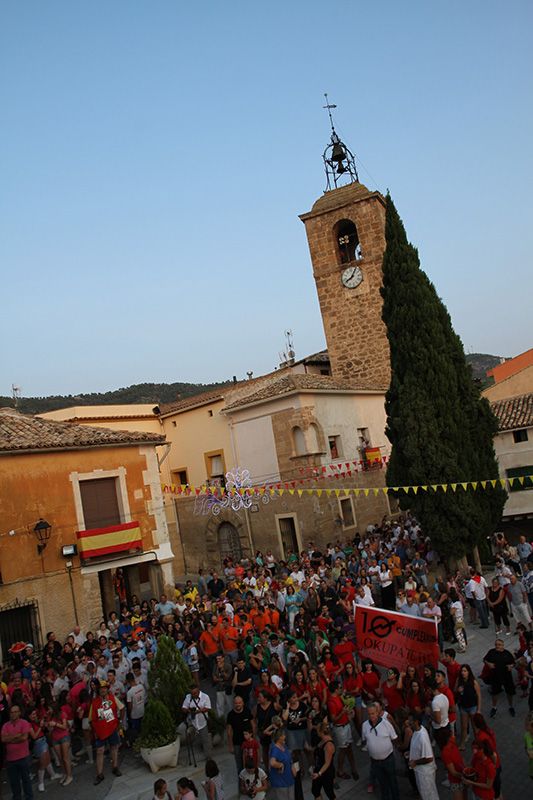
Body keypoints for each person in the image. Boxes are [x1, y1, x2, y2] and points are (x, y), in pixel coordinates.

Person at [361, 703, 399, 800]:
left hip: (388, 760)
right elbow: (365, 739)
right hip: (375, 762)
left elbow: (394, 738)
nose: (371, 716)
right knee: (382, 784)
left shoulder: (386, 724)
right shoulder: (364, 725)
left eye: (373, 713)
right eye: (369, 714)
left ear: (377, 713)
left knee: (392, 782)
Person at [89, 680, 122, 785]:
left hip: (112, 729)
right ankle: (99, 774)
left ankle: (115, 767)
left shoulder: (112, 698)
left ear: (107, 689)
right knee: (100, 751)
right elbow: (91, 719)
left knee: (114, 748)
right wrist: (95, 730)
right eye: (101, 688)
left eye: (104, 688)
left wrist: (119, 723)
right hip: (100, 732)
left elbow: (122, 708)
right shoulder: (94, 702)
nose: (103, 690)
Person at [326, 680, 359, 780]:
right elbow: (333, 719)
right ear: (336, 689)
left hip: (346, 725)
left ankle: (353, 769)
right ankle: (340, 770)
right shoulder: (331, 702)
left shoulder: (338, 698)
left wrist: (347, 713)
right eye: (340, 688)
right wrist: (343, 712)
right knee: (343, 749)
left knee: (349, 748)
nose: (342, 689)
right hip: (340, 728)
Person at [1, 704, 34, 800]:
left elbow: (24, 737)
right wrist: (17, 736)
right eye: (12, 712)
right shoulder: (5, 725)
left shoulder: (24, 723)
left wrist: (10, 738)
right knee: (14, 782)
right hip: (10, 759)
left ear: (19, 712)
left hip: (23, 757)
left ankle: (29, 797)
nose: (14, 714)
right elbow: (3, 739)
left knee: (26, 780)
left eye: (16, 712)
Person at [408, 712, 439, 800]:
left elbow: (429, 758)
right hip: (420, 771)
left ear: (416, 722)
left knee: (428, 796)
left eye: (410, 721)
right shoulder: (418, 731)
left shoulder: (422, 736)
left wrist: (415, 762)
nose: (408, 722)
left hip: (425, 774)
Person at [483, 638, 516, 717]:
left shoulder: (507, 653)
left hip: (507, 677)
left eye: (499, 645)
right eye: (496, 644)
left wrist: (511, 666)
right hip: (495, 676)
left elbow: (514, 663)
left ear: (503, 646)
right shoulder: (491, 652)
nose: (497, 646)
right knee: (495, 693)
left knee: (509, 693)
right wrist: (488, 664)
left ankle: (511, 706)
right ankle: (494, 707)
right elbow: (484, 660)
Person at [435, 726, 466, 800]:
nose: (452, 734)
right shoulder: (445, 752)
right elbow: (453, 772)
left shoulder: (451, 741)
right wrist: (465, 776)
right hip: (456, 780)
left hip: (462, 775)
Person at [455, 664, 481, 750]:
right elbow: (455, 690)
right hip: (463, 707)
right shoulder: (459, 680)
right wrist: (458, 691)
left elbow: (479, 696)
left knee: (475, 727)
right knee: (464, 727)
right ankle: (462, 744)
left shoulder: (473, 682)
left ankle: (478, 743)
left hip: (472, 707)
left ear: (469, 672)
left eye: (465, 671)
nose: (463, 673)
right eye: (462, 671)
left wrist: (479, 709)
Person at [182, 685, 213, 759]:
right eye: (192, 693)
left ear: (198, 691)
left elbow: (208, 708)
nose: (193, 695)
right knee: (188, 735)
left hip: (202, 722)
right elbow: (183, 708)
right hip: (192, 722)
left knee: (205, 740)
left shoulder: (205, 697)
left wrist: (197, 711)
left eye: (195, 693)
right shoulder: (188, 697)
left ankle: (208, 757)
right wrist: (189, 710)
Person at [227, 695, 252, 777]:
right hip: (237, 743)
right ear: (233, 704)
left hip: (248, 742)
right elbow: (229, 731)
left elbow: (253, 725)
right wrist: (230, 745)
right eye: (236, 703)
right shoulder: (230, 715)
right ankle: (241, 779)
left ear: (243, 703)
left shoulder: (247, 711)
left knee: (249, 761)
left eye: (239, 703)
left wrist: (253, 739)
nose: (238, 704)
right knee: (239, 763)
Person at [311, 719, 336, 800]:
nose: (316, 732)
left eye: (317, 730)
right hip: (318, 769)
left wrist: (319, 773)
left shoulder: (329, 745)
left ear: (321, 732)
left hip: (326, 772)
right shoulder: (322, 740)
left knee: (329, 793)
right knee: (315, 791)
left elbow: (327, 763)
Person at [268, 728, 295, 800]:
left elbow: (289, 759)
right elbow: (272, 762)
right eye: (283, 735)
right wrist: (281, 765)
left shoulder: (284, 746)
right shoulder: (275, 749)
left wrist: (294, 770)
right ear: (279, 737)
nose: (285, 736)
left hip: (289, 780)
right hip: (280, 782)